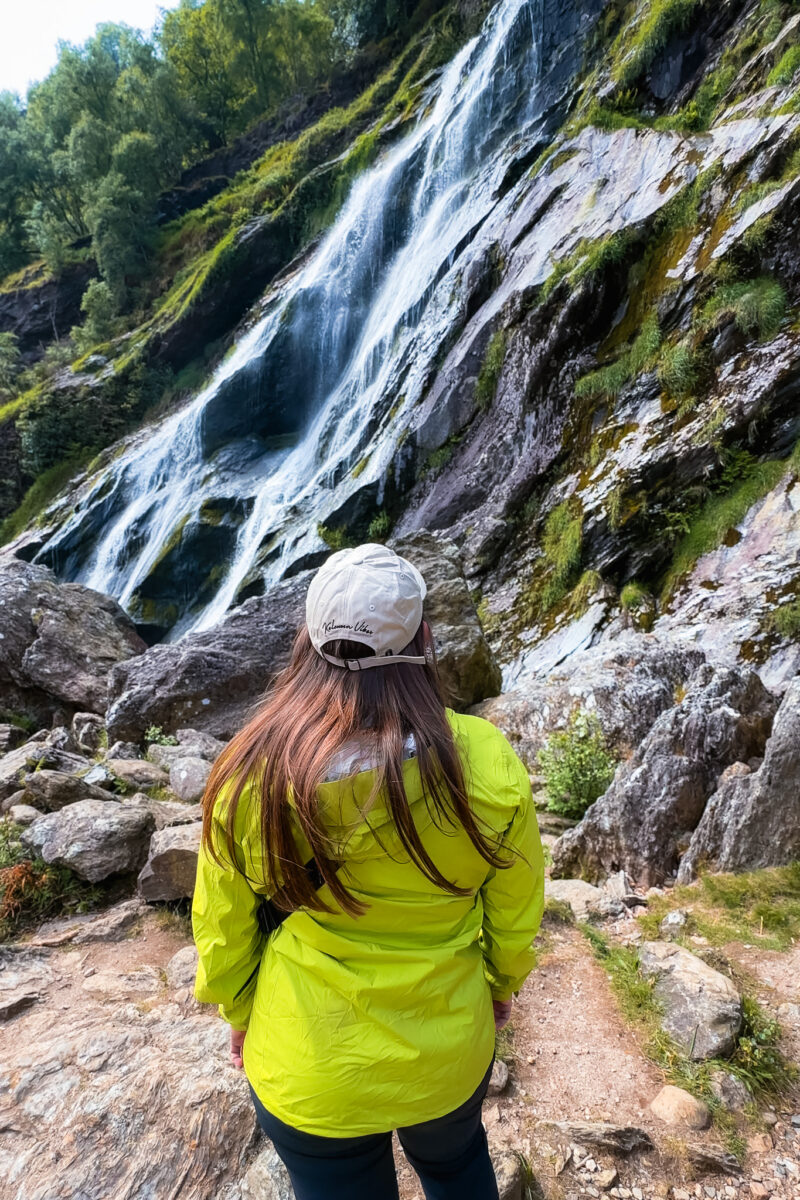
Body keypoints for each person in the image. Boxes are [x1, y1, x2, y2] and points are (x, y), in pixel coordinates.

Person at [192, 542, 545, 1200]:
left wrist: (242, 1013)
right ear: (427, 640)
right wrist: (498, 983)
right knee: (457, 1166)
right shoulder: (486, 760)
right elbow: (517, 908)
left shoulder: (252, 776)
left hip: (310, 1062)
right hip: (446, 1054)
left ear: (307, 643)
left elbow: (222, 930)